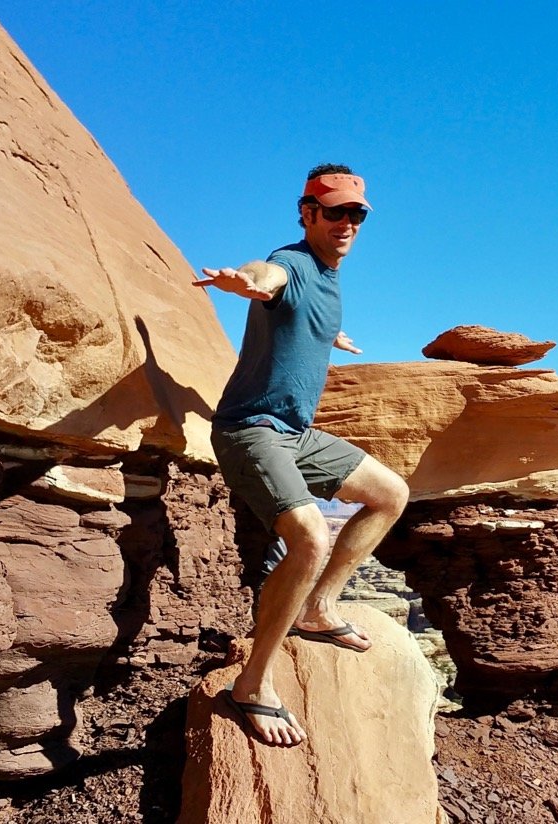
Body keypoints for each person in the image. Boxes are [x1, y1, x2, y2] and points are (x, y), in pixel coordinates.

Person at [193, 164, 409, 746]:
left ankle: (319, 606)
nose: (346, 222)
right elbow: (268, 278)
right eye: (333, 211)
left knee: (391, 494)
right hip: (250, 430)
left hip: (297, 433)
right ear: (307, 212)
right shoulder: (289, 261)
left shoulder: (331, 281)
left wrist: (328, 336)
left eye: (356, 214)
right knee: (311, 535)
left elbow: (304, 316)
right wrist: (248, 282)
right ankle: (253, 686)